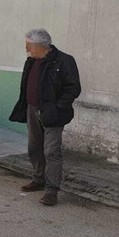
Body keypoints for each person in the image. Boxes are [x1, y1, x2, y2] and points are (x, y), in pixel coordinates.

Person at [9, 29, 81, 206]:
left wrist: (58, 108)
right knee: (34, 148)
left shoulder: (64, 61)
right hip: (32, 110)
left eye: (28, 45)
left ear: (40, 45)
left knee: (51, 151)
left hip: (53, 113)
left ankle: (51, 190)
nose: (26, 48)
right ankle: (38, 179)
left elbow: (73, 88)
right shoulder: (31, 61)